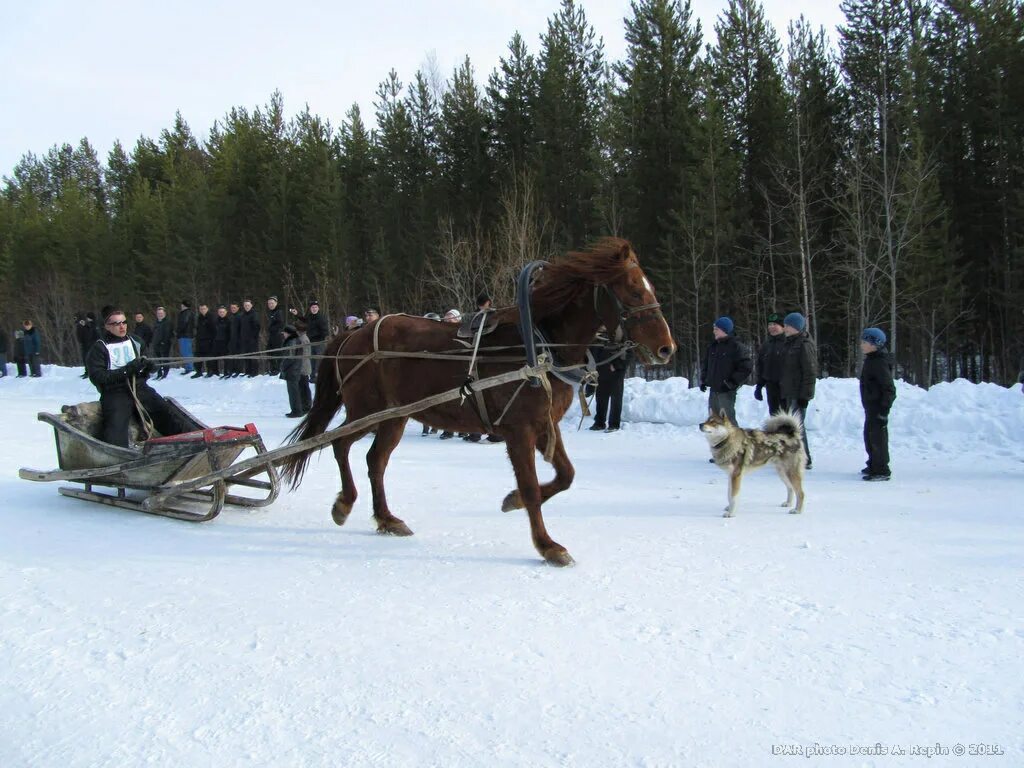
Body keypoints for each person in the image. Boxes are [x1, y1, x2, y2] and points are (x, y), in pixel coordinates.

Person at [86, 308, 185, 447]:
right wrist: (126, 371)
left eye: (124, 322)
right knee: (116, 426)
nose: (122, 326)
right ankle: (117, 455)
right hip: (115, 392)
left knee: (163, 411)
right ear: (107, 326)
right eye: (116, 324)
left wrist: (148, 368)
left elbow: (143, 367)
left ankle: (182, 442)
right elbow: (97, 377)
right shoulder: (99, 348)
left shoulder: (136, 341)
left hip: (139, 387)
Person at [779, 312, 817, 469]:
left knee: (797, 427)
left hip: (798, 393)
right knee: (791, 426)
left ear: (795, 327)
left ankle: (804, 458)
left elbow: (810, 371)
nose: (785, 328)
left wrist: (806, 395)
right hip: (789, 392)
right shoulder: (789, 343)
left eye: (787, 325)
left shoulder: (804, 345)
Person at [699, 316, 752, 425]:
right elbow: (706, 365)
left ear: (725, 330)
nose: (714, 331)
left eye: (716, 329)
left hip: (726, 391)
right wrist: (704, 380)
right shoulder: (713, 347)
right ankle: (718, 441)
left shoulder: (736, 347)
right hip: (714, 390)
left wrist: (732, 382)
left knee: (728, 422)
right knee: (714, 421)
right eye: (714, 328)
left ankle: (735, 441)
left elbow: (746, 367)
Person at [859, 327, 896, 481]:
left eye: (864, 342)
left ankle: (881, 469)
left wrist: (883, 410)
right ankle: (873, 463)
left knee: (877, 439)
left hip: (878, 408)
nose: (861, 344)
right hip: (871, 406)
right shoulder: (872, 359)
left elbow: (889, 388)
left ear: (875, 344)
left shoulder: (879, 362)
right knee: (869, 436)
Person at [590, 338, 633, 433]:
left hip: (616, 374)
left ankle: (614, 424)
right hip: (601, 372)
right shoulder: (598, 338)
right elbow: (593, 354)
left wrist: (617, 365)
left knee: (616, 400)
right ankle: (599, 423)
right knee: (600, 399)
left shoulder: (622, 338)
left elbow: (629, 354)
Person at [754, 312, 787, 415]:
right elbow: (761, 366)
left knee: (787, 417)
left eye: (775, 324)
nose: (772, 327)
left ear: (782, 326)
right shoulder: (766, 344)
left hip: (786, 387)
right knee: (774, 416)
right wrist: (759, 386)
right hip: (771, 387)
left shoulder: (788, 342)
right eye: (770, 324)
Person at [280, 322, 312, 417]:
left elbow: (291, 357)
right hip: (298, 368)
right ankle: (302, 408)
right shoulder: (298, 339)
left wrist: (283, 366)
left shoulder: (297, 340)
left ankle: (299, 409)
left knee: (297, 390)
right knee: (300, 389)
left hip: (297, 369)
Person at [291, 300, 329, 379]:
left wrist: (320, 338)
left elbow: (325, 331)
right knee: (311, 359)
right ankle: (312, 376)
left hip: (319, 342)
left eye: (315, 307)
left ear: (318, 308)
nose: (314, 309)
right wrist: (297, 314)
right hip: (310, 342)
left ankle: (318, 375)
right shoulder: (309, 317)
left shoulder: (321, 318)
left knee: (318, 359)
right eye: (312, 307)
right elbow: (304, 319)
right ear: (310, 308)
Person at [193, 303, 216, 378]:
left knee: (209, 357)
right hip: (200, 340)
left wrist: (212, 340)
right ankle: (198, 371)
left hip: (208, 340)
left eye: (204, 309)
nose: (202, 310)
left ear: (207, 309)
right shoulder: (199, 317)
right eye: (201, 309)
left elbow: (214, 329)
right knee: (197, 356)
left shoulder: (211, 317)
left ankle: (210, 371)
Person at [239, 299, 261, 377]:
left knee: (253, 356)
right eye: (245, 305)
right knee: (246, 355)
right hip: (244, 339)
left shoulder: (254, 314)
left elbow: (257, 327)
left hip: (252, 339)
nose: (247, 307)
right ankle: (247, 371)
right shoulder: (242, 315)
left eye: (248, 305)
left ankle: (254, 372)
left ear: (251, 305)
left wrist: (253, 337)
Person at [151, 306, 173, 380]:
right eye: (158, 313)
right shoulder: (156, 322)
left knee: (165, 358)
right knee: (158, 359)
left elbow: (168, 333)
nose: (160, 315)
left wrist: (164, 342)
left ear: (164, 313)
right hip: (156, 344)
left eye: (161, 313)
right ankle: (159, 372)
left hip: (164, 344)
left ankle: (165, 373)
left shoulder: (167, 322)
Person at [75, 311, 99, 378]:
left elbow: (90, 335)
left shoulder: (92, 325)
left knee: (88, 359)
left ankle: (89, 372)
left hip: (89, 345)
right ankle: (88, 372)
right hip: (90, 344)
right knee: (87, 359)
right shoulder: (93, 325)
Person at [265, 296, 285, 375]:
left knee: (278, 352)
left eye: (272, 303)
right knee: (269, 351)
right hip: (272, 335)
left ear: (276, 303)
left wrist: (272, 328)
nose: (270, 305)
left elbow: (281, 323)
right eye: (269, 303)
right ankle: (273, 368)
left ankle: (278, 369)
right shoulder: (271, 312)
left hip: (277, 335)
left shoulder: (278, 312)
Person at [175, 300, 196, 374]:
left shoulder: (186, 313)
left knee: (186, 352)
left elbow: (183, 323)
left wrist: (178, 331)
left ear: (184, 305)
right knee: (186, 352)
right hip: (187, 335)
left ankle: (190, 368)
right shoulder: (189, 313)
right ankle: (189, 367)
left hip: (185, 335)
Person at [212, 305, 230, 378]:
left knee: (226, 359)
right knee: (214, 358)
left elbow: (230, 332)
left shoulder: (229, 321)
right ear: (218, 312)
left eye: (223, 312)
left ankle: (226, 372)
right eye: (220, 312)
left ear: (226, 312)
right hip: (216, 342)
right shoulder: (215, 321)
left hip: (225, 342)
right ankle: (215, 372)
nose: (221, 313)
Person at [227, 302, 242, 377]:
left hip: (238, 339)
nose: (233, 309)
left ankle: (238, 370)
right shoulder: (230, 317)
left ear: (238, 308)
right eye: (231, 308)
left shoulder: (240, 316)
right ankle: (231, 370)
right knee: (231, 355)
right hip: (231, 339)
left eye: (234, 308)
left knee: (238, 356)